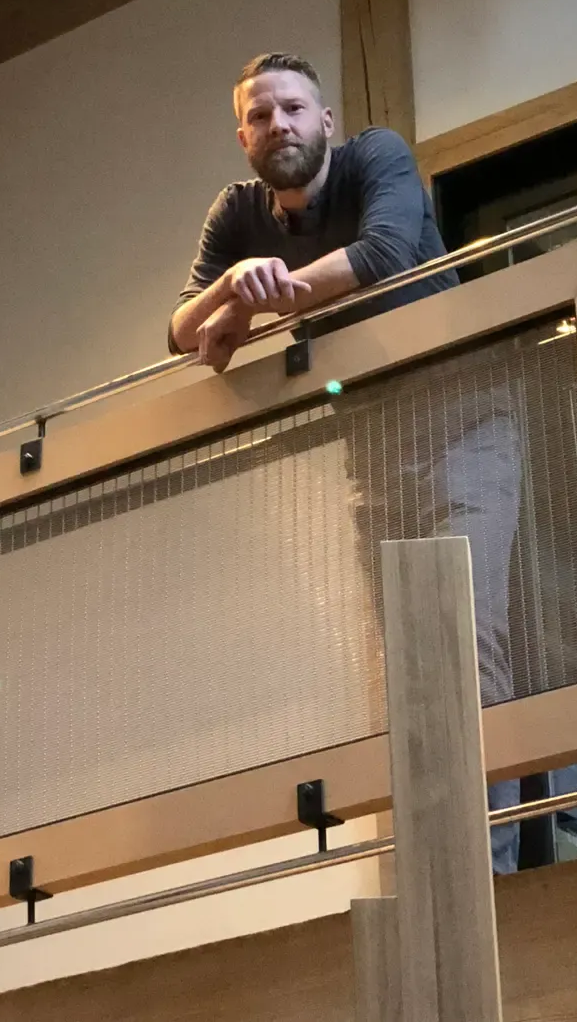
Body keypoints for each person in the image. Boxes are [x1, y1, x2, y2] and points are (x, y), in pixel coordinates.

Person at [170, 52, 521, 870]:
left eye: (293, 108)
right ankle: (426, 867)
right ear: (243, 136)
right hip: (376, 450)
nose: (278, 124)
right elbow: (184, 334)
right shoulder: (237, 214)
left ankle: (494, 870)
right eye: (260, 116)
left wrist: (267, 294)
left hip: (468, 424)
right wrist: (232, 285)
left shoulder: (377, 157)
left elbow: (386, 252)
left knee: (471, 644)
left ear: (326, 120)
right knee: (396, 668)